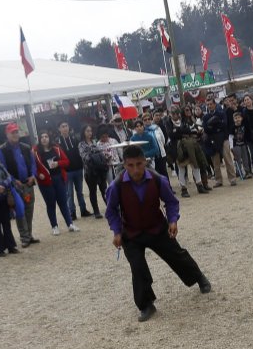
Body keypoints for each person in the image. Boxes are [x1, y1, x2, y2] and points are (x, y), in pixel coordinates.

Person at [104, 144, 211, 322]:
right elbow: (111, 211)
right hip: (131, 233)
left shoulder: (157, 179)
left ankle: (199, 277)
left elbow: (171, 202)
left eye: (139, 164)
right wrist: (116, 232)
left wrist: (173, 220)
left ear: (145, 162)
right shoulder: (116, 186)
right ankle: (146, 305)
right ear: (124, 165)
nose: (136, 169)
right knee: (138, 267)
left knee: (177, 256)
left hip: (156, 227)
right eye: (131, 165)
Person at [0, 123, 40, 247]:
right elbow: (1, 169)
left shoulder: (26, 147)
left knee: (29, 210)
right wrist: (13, 180)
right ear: (7, 134)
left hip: (28, 183)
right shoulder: (2, 150)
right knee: (20, 211)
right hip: (15, 186)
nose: (15, 134)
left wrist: (33, 175)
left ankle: (29, 234)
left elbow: (33, 163)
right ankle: (24, 237)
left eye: (16, 132)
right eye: (12, 132)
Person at [33, 131, 79, 236]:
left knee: (63, 202)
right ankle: (54, 226)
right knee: (50, 204)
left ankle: (70, 224)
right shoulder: (35, 152)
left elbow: (66, 161)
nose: (44, 138)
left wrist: (58, 163)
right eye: (42, 137)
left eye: (46, 136)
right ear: (39, 140)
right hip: (45, 181)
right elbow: (32, 167)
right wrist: (38, 174)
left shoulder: (56, 148)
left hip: (59, 178)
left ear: (49, 138)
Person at [56, 122, 91, 220]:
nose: (65, 128)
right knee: (69, 194)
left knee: (80, 192)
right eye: (62, 127)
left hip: (78, 169)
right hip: (67, 171)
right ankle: (72, 213)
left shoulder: (75, 139)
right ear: (59, 129)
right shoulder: (57, 143)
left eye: (66, 126)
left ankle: (83, 210)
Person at [173, 107, 210, 195]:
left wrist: (195, 132)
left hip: (194, 144)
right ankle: (183, 189)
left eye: (189, 110)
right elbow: (176, 133)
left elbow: (192, 131)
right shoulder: (177, 122)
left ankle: (200, 185)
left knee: (196, 166)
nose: (188, 111)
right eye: (186, 110)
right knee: (182, 168)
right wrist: (188, 131)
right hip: (182, 147)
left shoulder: (192, 119)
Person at [203, 99, 238, 187]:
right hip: (212, 140)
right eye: (208, 104)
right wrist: (215, 125)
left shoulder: (221, 113)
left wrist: (214, 124)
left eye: (211, 104)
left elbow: (224, 125)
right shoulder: (206, 117)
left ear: (215, 104)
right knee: (216, 162)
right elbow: (206, 129)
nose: (209, 106)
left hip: (223, 138)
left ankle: (232, 179)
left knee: (228, 159)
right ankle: (218, 180)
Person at [77, 125, 108, 219]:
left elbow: (100, 153)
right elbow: (84, 157)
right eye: (87, 131)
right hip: (90, 171)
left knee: (104, 189)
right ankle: (96, 211)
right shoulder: (81, 144)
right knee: (93, 191)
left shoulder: (94, 141)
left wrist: (98, 156)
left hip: (100, 170)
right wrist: (95, 156)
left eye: (90, 131)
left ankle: (110, 207)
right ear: (83, 132)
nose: (89, 133)